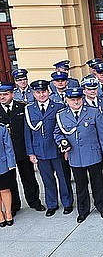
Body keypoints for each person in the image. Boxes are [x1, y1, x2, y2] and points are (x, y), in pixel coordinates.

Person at [54, 88, 103, 223]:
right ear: (67, 100)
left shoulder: (93, 112)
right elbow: (57, 133)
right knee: (81, 186)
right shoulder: (62, 115)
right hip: (75, 156)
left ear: (82, 98)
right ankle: (83, 210)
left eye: (78, 99)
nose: (76, 102)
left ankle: (102, 207)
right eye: (72, 99)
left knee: (97, 183)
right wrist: (62, 142)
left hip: (93, 153)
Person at [24, 80, 74, 216]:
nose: (41, 95)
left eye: (44, 91)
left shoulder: (58, 106)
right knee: (47, 179)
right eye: (38, 92)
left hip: (57, 149)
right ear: (34, 94)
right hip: (40, 151)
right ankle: (51, 204)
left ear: (48, 92)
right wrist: (31, 152)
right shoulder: (29, 109)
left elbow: (64, 129)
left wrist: (65, 148)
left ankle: (67, 203)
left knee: (63, 178)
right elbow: (27, 132)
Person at [0, 82, 46, 213]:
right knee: (10, 180)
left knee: (29, 177)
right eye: (0, 95)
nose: (2, 97)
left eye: (5, 94)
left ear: (12, 94)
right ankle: (14, 206)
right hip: (5, 153)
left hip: (22, 149)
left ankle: (34, 201)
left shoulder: (22, 107)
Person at [0, 122, 16, 226]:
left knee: (5, 189)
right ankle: (0, 215)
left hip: (2, 164)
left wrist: (11, 163)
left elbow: (8, 147)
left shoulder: (2, 128)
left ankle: (8, 212)